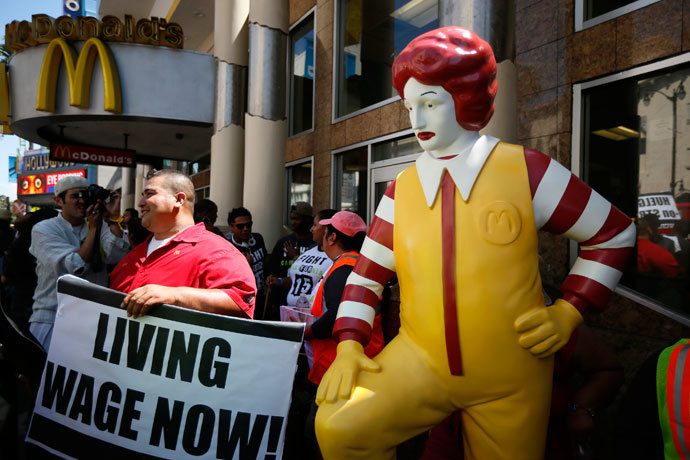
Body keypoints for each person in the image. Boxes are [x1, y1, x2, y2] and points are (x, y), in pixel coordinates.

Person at [314, 27, 635, 460]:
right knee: (340, 428)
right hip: (419, 362)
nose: (417, 120)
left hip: (511, 375)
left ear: (466, 99)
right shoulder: (400, 190)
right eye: (411, 106)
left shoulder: (528, 171)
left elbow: (613, 232)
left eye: (430, 103)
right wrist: (350, 342)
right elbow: (367, 276)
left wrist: (569, 311)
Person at [110, 169, 257, 319]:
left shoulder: (214, 250)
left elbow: (241, 301)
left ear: (179, 200)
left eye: (150, 194)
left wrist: (174, 295)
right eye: (143, 195)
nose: (140, 203)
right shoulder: (132, 257)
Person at [28, 176, 129, 350]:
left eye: (85, 195)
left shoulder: (100, 223)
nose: (82, 201)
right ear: (59, 200)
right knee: (45, 375)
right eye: (76, 196)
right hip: (53, 317)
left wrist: (113, 218)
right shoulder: (44, 229)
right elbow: (74, 267)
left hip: (92, 319)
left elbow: (117, 257)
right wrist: (94, 229)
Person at [265, 202, 315, 320]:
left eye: (297, 219)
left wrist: (297, 257)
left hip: (305, 303)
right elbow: (273, 270)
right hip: (281, 300)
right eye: (291, 219)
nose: (293, 222)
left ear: (308, 220)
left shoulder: (314, 244)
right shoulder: (283, 242)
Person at [226, 207, 267, 312]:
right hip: (243, 300)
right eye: (240, 226)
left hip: (262, 296)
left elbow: (265, 262)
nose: (245, 229)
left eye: (248, 225)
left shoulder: (258, 239)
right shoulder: (228, 247)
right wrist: (246, 266)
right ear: (231, 226)